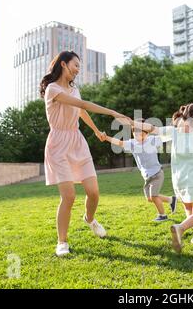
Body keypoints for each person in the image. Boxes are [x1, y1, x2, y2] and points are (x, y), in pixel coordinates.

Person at [39, 51, 126, 257]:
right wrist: (113, 113)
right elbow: (83, 105)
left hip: (77, 142)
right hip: (58, 145)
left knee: (93, 192)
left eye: (79, 66)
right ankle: (62, 242)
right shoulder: (53, 89)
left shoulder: (73, 89)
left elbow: (81, 111)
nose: (78, 69)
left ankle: (89, 219)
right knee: (68, 197)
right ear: (63, 64)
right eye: (75, 65)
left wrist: (96, 131)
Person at [125, 104, 193, 253]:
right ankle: (180, 228)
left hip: (180, 180)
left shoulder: (173, 132)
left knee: (188, 208)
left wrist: (132, 123)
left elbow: (152, 128)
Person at [101, 119, 177, 222]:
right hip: (147, 176)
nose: (138, 137)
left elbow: (169, 135)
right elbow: (119, 142)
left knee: (154, 196)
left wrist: (178, 129)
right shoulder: (132, 144)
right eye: (135, 135)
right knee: (149, 198)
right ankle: (171, 199)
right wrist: (106, 138)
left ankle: (162, 215)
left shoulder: (152, 140)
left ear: (147, 133)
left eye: (141, 135)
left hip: (157, 173)